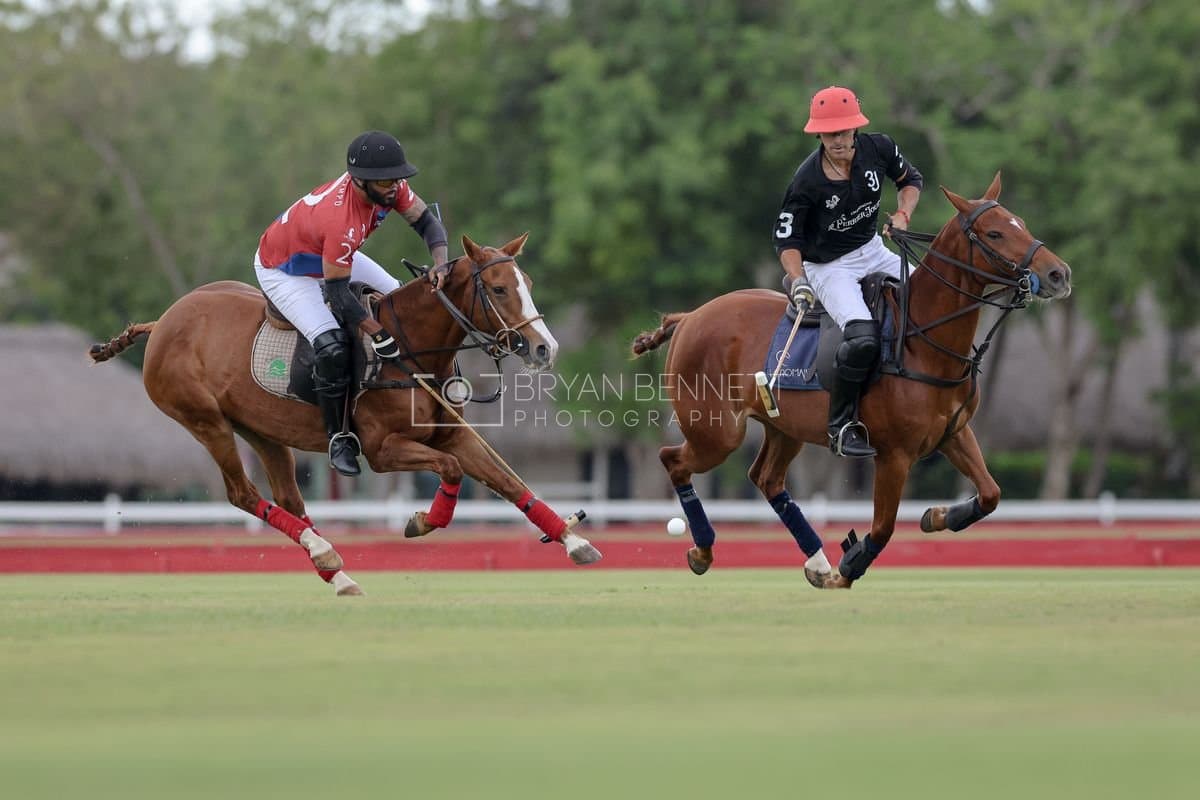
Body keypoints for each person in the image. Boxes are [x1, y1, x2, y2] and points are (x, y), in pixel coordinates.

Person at [255, 130, 449, 476]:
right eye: (387, 180)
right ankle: (339, 436)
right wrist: (376, 332)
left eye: (398, 178)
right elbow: (339, 295)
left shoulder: (389, 187)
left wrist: (440, 262)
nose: (396, 186)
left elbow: (426, 222)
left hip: (329, 254)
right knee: (331, 346)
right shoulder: (339, 218)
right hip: (286, 269)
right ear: (362, 181)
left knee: (398, 303)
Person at [772, 86, 923, 458]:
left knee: (929, 296)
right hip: (828, 268)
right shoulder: (807, 181)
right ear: (818, 134)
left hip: (872, 250)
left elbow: (910, 181)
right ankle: (841, 426)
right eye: (828, 133)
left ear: (855, 128)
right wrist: (799, 280)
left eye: (842, 132)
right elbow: (786, 241)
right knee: (863, 339)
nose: (836, 140)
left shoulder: (879, 148)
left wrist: (903, 215)